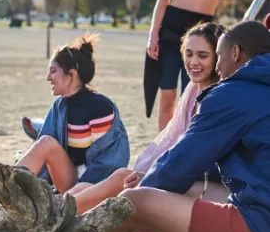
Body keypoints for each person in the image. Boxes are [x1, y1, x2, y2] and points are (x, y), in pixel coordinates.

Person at [98, 20, 270, 232]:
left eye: (218, 55)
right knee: (189, 188)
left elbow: (178, 166)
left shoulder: (234, 93)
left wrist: (147, 193)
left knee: (133, 201)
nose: (218, 67)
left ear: (235, 53)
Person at [69, 22, 228, 215]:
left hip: (209, 184)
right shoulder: (193, 90)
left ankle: (61, 215)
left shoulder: (217, 98)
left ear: (218, 57)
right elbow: (174, 146)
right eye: (188, 54)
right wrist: (150, 174)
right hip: (188, 176)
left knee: (127, 184)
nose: (193, 62)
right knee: (114, 179)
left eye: (202, 56)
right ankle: (60, 209)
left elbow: (200, 159)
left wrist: (152, 177)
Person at [16, 33, 130, 195]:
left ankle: (67, 202)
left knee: (77, 193)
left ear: (72, 74)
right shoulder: (59, 106)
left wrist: (78, 192)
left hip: (98, 185)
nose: (48, 78)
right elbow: (45, 158)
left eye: (53, 71)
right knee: (45, 143)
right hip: (71, 183)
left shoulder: (101, 108)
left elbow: (107, 165)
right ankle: (2, 195)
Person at [145, 0, 223, 131]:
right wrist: (153, 34)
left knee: (195, 97)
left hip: (203, 33)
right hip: (171, 32)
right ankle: (165, 141)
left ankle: (188, 140)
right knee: (167, 95)